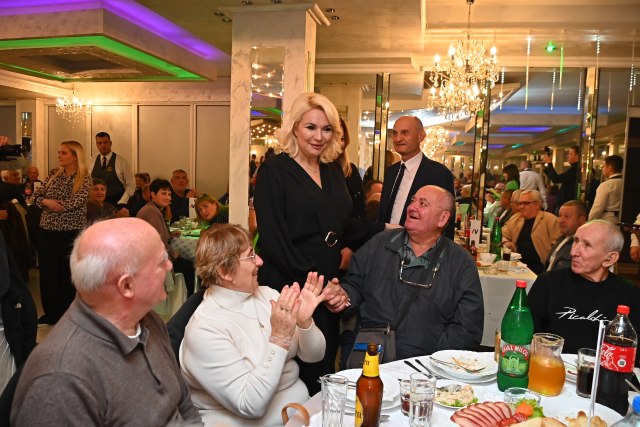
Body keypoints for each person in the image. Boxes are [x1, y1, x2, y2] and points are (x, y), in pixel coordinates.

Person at [10, 218, 203, 426]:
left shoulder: (147, 320)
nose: (169, 265)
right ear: (126, 285)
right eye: (161, 262)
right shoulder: (61, 379)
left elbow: (184, 405)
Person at [253, 92, 356, 393]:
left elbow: (344, 225)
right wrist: (322, 286)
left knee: (324, 368)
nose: (319, 136)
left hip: (325, 282)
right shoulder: (274, 171)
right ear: (295, 127)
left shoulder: (332, 171)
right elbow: (274, 241)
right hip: (289, 284)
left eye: (327, 129)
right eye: (311, 127)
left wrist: (386, 228)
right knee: (292, 372)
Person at [180, 224, 328, 426]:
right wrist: (279, 337)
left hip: (301, 413)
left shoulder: (267, 295)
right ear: (225, 271)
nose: (260, 261)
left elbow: (314, 356)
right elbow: (250, 405)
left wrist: (304, 322)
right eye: (250, 256)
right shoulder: (205, 329)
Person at [325, 185, 484, 360]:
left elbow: (467, 329)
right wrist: (342, 297)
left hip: (425, 367)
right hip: (371, 356)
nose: (412, 207)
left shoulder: (460, 263)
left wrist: (434, 361)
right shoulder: (379, 244)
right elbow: (354, 285)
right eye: (413, 200)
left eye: (423, 203)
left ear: (443, 218)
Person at [528, 220, 640, 359]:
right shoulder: (548, 282)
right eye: (576, 241)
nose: (573, 252)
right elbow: (528, 331)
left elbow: (632, 350)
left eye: (587, 245)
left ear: (610, 259)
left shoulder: (630, 295)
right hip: (550, 364)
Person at [33, 141, 92, 324]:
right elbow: (36, 196)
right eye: (59, 152)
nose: (59, 155)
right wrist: (47, 202)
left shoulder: (84, 178)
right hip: (47, 231)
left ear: (75, 156)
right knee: (48, 273)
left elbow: (75, 202)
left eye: (63, 153)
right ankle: (51, 313)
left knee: (67, 273)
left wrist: (53, 204)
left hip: (70, 231)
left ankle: (68, 314)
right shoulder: (53, 174)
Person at [378, 116, 455, 231]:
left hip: (420, 241)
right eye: (395, 133)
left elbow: (446, 222)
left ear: (420, 136)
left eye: (404, 133)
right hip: (386, 240)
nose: (398, 139)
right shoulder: (391, 172)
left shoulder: (439, 173)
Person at [137, 178, 195, 295]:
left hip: (150, 255)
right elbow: (159, 240)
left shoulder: (154, 209)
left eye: (169, 194)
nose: (167, 197)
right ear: (153, 194)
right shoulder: (151, 211)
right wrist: (172, 255)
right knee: (188, 265)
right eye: (163, 193)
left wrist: (170, 234)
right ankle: (189, 298)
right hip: (151, 260)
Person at [502, 189, 561, 274]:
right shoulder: (516, 218)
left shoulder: (550, 220)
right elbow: (500, 235)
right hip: (517, 266)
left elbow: (557, 248)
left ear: (537, 204)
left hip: (540, 268)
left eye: (526, 203)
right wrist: (506, 242)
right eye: (520, 203)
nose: (521, 206)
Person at [89, 132, 135, 212]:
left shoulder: (121, 161)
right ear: (96, 145)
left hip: (116, 203)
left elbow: (131, 184)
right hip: (95, 205)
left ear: (110, 143)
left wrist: (123, 201)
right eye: (100, 143)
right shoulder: (91, 161)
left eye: (105, 142)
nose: (103, 145)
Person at [546, 200, 587, 271]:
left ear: (581, 220)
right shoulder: (561, 239)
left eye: (566, 216)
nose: (561, 221)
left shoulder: (583, 246)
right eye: (560, 216)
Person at [543, 145, 580, 211]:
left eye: (570, 154)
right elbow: (554, 178)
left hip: (568, 206)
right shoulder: (574, 169)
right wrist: (545, 169)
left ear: (577, 156)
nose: (568, 156)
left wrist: (549, 163)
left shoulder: (575, 170)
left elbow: (555, 179)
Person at [588, 154, 623, 223]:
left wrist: (589, 221)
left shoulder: (606, 185)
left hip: (608, 221)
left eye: (603, 166)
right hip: (623, 220)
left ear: (610, 168)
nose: (602, 169)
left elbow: (597, 208)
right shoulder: (626, 184)